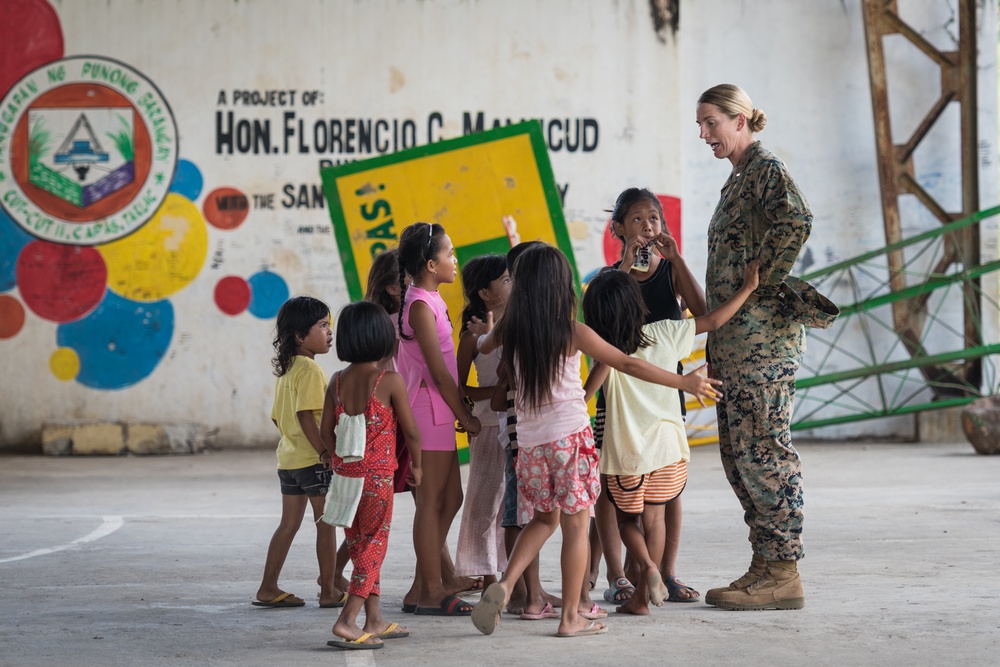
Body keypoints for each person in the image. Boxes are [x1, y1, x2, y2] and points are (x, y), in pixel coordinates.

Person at [469, 244, 723, 638]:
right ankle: (571, 617)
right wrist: (684, 382)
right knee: (573, 529)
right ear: (560, 288)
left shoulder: (512, 331)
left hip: (531, 446)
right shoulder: (572, 332)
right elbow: (627, 362)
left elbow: (484, 346)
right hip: (570, 441)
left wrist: (486, 331)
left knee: (541, 520)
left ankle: (506, 582)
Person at [582, 261, 759, 614]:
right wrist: (748, 288)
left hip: (628, 453)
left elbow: (584, 397)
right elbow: (713, 320)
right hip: (670, 447)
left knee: (626, 521)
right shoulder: (666, 331)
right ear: (639, 304)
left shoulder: (605, 352)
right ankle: (641, 599)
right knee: (656, 518)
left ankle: (647, 568)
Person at [696, 83, 812, 611]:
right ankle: (764, 565)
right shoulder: (738, 179)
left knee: (764, 453)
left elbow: (797, 220)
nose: (704, 135)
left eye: (711, 123)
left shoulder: (765, 169)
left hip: (762, 345)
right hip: (736, 344)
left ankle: (784, 573)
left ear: (739, 120)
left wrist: (761, 288)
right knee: (740, 454)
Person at [593, 187, 710, 606]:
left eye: (654, 219)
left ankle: (665, 573)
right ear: (619, 228)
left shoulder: (668, 272)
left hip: (664, 397)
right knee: (613, 487)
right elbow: (602, 332)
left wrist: (677, 260)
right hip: (619, 398)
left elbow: (701, 310)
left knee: (667, 487)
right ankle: (619, 574)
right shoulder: (608, 280)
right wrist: (625, 268)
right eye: (638, 220)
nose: (647, 227)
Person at [320, 301, 423, 650]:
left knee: (361, 544)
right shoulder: (388, 380)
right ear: (383, 338)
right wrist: (418, 466)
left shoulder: (336, 381)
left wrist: (339, 457)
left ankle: (374, 619)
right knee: (373, 548)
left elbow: (326, 431)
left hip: (347, 480)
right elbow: (412, 431)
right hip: (377, 481)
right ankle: (347, 620)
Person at [395, 221, 482, 616]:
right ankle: (431, 589)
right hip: (427, 409)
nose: (454, 259)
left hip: (438, 410)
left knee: (452, 497)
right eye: (449, 253)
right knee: (431, 502)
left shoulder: (428, 300)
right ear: (431, 264)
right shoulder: (418, 306)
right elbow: (439, 372)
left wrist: (458, 410)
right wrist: (466, 412)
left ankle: (421, 585)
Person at [254, 296, 344, 609]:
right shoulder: (310, 371)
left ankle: (268, 587)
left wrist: (296, 445)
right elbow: (307, 415)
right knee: (326, 524)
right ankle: (329, 591)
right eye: (322, 326)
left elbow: (280, 418)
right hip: (312, 461)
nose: (329, 332)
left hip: (289, 460)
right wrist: (324, 452)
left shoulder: (288, 370)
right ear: (299, 336)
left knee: (288, 525)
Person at [454, 255, 511, 589]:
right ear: (485, 294)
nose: (511, 284)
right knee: (484, 503)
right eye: (504, 280)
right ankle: (487, 574)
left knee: (512, 505)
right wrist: (494, 392)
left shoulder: (518, 323)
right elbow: (459, 387)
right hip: (489, 426)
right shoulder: (472, 336)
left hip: (519, 424)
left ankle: (508, 575)